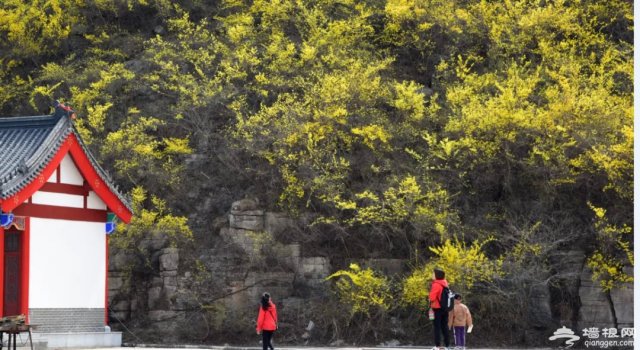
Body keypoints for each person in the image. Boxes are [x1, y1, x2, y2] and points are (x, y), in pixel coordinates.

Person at [428, 268, 450, 349]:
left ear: (437, 275)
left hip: (437, 308)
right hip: (445, 308)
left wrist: (429, 297)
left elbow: (432, 297)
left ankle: (438, 345)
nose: (432, 275)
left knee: (437, 327)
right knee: (445, 326)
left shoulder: (436, 284)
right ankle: (447, 345)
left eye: (433, 273)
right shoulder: (445, 283)